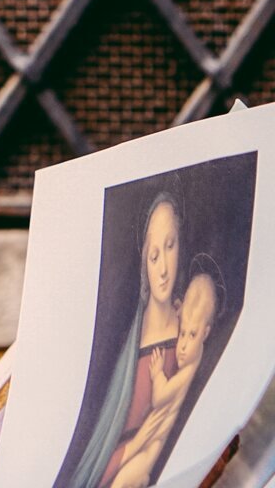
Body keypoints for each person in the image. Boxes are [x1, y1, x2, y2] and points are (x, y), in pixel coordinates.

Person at [59, 193, 185, 488]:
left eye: (171, 246)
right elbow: (101, 455)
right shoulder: (129, 351)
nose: (164, 269)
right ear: (144, 263)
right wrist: (138, 443)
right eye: (154, 257)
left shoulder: (187, 326)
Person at [103, 263, 222, 488]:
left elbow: (160, 397)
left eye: (192, 335)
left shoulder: (188, 370)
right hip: (148, 443)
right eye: (183, 332)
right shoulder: (194, 349)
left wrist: (157, 374)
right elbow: (189, 317)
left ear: (206, 333)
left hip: (151, 450)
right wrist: (182, 311)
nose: (183, 346)